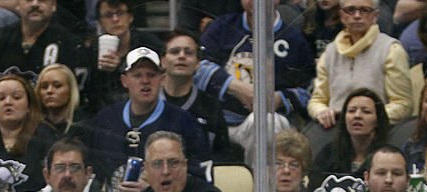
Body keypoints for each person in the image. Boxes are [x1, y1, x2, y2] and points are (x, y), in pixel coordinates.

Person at [194, 0, 315, 156]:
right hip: (220, 122)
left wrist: (279, 98)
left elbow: (307, 89)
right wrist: (235, 87)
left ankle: (263, 179)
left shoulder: (294, 40)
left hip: (269, 123)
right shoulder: (222, 27)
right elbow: (197, 66)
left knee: (265, 121)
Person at [86, 47, 211, 192]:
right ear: (124, 81)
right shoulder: (105, 120)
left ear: (162, 79)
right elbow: (91, 173)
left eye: (151, 75)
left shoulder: (184, 122)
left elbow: (201, 178)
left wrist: (157, 189)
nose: (145, 81)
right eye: (137, 75)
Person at [307, 0, 413, 128]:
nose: (357, 15)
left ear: (375, 16)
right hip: (335, 131)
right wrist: (321, 112)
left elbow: (403, 104)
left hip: (378, 132)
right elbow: (317, 100)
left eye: (364, 10)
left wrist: (369, 117)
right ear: (341, 15)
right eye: (350, 10)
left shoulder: (391, 50)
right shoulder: (330, 52)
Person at [160, 30, 239, 163]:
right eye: (175, 51)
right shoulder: (148, 102)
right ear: (163, 61)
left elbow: (222, 157)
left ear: (198, 63)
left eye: (188, 52)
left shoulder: (212, 107)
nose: (181, 56)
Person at [310, 87, 389, 192]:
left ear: (378, 120)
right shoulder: (328, 154)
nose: (357, 116)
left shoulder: (387, 157)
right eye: (351, 111)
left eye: (366, 111)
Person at [87, 0, 164, 111]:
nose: (115, 19)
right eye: (108, 15)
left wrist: (119, 68)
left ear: (130, 17)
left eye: (120, 13)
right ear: (100, 22)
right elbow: (92, 94)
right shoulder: (93, 50)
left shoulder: (149, 43)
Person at [0, 72, 57, 192]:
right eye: (1, 98)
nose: (8, 102)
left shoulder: (46, 138)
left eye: (16, 97)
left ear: (29, 105)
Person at [0, 0, 88, 84]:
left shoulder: (69, 44)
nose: (35, 4)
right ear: (18, 4)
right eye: (29, 0)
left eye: (42, 0)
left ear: (53, 5)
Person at [36, 63, 84, 138]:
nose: (49, 91)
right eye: (44, 87)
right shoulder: (32, 128)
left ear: (70, 90)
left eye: (57, 86)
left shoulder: (84, 126)